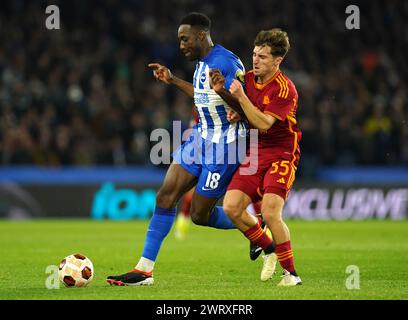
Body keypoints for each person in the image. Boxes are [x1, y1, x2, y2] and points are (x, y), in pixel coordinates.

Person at [106, 12, 251, 286]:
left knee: (199, 215)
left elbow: (247, 106)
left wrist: (224, 93)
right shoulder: (201, 64)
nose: (181, 45)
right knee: (165, 196)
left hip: (226, 145)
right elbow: (201, 95)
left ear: (200, 36)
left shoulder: (227, 62)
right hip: (200, 139)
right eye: (179, 40)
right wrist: (172, 80)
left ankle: (254, 225)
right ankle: (144, 270)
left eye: (185, 39)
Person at [210, 28, 302, 286]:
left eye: (262, 56)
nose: (256, 60)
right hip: (254, 151)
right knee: (231, 206)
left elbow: (263, 124)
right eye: (254, 54)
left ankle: (291, 274)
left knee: (272, 213)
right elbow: (246, 110)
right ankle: (268, 247)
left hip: (282, 153)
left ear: (277, 60)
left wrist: (240, 99)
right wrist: (225, 95)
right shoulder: (248, 79)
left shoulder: (285, 89)